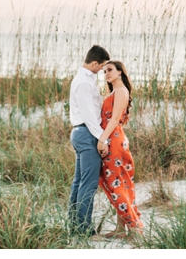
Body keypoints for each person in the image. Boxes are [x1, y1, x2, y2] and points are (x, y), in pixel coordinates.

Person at [97, 60, 144, 238]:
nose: (106, 74)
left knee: (116, 184)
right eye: (104, 71)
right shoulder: (116, 91)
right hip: (113, 138)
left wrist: (102, 139)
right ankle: (119, 229)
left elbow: (114, 119)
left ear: (119, 72)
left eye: (109, 70)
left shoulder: (122, 91)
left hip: (114, 140)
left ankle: (133, 229)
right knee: (118, 183)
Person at [68, 44, 110, 235]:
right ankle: (84, 228)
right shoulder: (84, 83)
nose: (102, 69)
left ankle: (74, 224)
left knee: (79, 182)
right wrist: (103, 139)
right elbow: (89, 116)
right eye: (101, 66)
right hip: (86, 134)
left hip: (81, 133)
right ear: (94, 63)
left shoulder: (83, 79)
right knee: (88, 184)